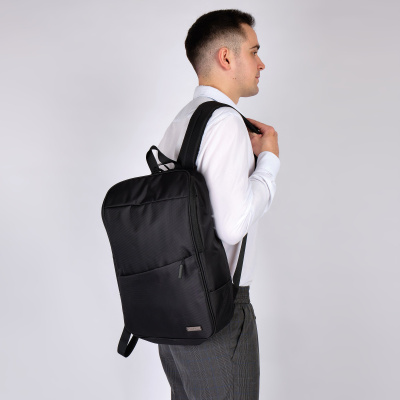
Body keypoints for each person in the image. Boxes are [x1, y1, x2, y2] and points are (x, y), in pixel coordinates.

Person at [157, 9, 280, 400]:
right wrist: (269, 162)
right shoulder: (226, 122)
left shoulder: (182, 120)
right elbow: (232, 225)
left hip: (175, 307)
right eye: (254, 51)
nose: (261, 63)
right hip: (219, 309)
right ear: (226, 57)